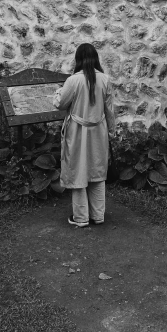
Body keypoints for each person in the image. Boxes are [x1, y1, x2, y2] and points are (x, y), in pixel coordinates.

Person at [53, 43, 116, 227]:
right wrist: (111, 131)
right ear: (96, 58)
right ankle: (98, 215)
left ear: (78, 59)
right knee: (97, 170)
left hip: (77, 131)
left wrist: (57, 92)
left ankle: (81, 217)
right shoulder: (105, 79)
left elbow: (61, 103)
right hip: (99, 130)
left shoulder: (73, 80)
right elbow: (109, 110)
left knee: (78, 170)